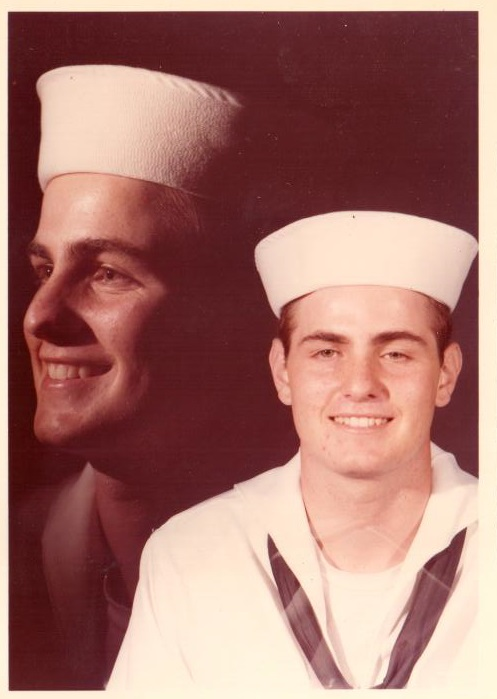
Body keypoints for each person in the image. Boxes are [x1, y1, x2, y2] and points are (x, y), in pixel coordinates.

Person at [108, 210, 478, 690]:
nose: (361, 384)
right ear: (283, 371)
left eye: (396, 353)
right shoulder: (191, 555)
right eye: (327, 352)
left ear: (445, 374)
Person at [10, 63, 269, 689]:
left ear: (233, 316)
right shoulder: (16, 553)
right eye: (44, 270)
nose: (41, 316)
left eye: (108, 273)